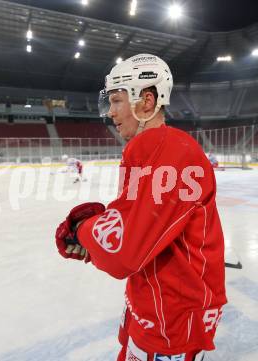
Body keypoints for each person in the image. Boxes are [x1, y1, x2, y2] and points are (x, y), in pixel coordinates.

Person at [55, 54, 226, 361]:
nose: (110, 112)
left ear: (147, 101)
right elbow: (137, 228)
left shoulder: (169, 148)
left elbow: (126, 251)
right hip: (153, 305)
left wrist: (84, 230)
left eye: (117, 100)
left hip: (172, 320)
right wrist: (96, 238)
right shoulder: (156, 148)